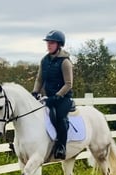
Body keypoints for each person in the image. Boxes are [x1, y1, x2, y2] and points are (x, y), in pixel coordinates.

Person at [32, 30, 73, 159]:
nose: (49, 45)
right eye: (48, 43)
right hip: (48, 97)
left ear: (59, 44)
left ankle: (61, 146)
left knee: (59, 117)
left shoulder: (65, 62)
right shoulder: (44, 60)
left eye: (52, 43)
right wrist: (35, 92)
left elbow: (68, 83)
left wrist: (57, 96)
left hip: (63, 98)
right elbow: (39, 79)